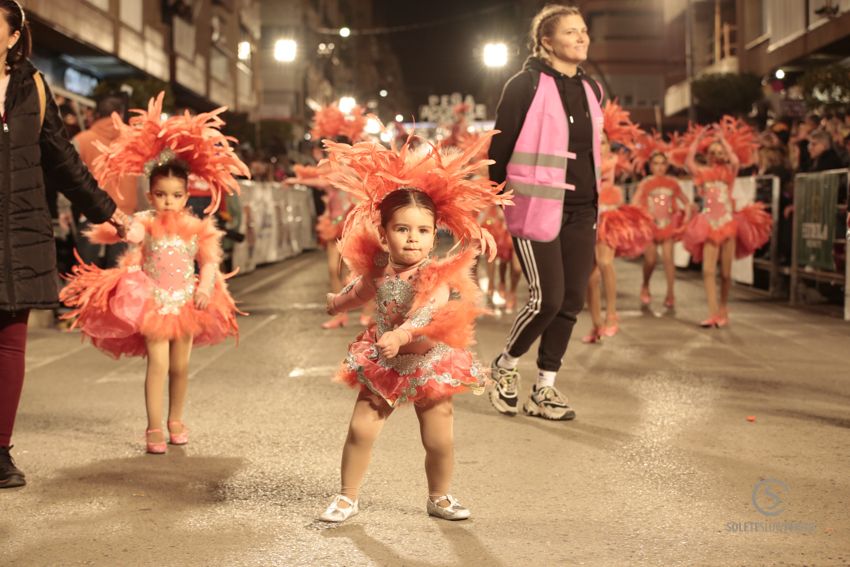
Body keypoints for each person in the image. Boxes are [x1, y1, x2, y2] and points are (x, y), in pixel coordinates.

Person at [317, 133, 507, 523]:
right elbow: (360, 290)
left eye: (423, 231)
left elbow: (427, 315)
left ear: (434, 235)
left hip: (428, 363)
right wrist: (338, 301)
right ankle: (347, 497)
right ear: (384, 234)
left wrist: (401, 334)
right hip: (384, 365)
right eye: (402, 230)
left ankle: (439, 496)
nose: (413, 239)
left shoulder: (434, 276)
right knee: (361, 431)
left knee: (439, 439)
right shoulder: (378, 270)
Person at [59, 92, 247, 454]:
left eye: (176, 196)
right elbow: (126, 232)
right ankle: (153, 426)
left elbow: (209, 261)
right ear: (150, 193)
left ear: (186, 195)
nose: (168, 202)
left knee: (180, 367)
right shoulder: (144, 222)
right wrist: (114, 220)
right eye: (161, 195)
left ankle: (176, 418)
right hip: (153, 304)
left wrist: (206, 288)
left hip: (187, 302)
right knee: (157, 365)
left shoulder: (197, 227)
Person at [0, 0, 129, 488]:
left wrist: (112, 214)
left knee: (11, 343)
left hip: (23, 230)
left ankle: (0, 453)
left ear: (14, 37)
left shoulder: (32, 85)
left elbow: (62, 161)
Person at [487, 4, 605, 420]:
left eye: (584, 30)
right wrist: (495, 196)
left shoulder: (593, 89)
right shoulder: (525, 85)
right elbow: (498, 150)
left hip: (583, 210)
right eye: (571, 32)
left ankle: (545, 389)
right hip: (535, 207)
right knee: (546, 299)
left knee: (572, 300)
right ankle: (504, 366)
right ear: (547, 41)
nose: (581, 37)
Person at [681, 119, 771, 328]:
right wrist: (698, 140)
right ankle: (712, 312)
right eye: (713, 151)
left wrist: (723, 141)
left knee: (726, 272)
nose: (717, 155)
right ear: (708, 154)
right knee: (708, 270)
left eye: (719, 151)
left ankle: (723, 307)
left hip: (728, 222)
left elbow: (736, 161)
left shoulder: (729, 174)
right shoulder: (703, 173)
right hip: (708, 223)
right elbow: (688, 163)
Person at [582, 106, 653, 343]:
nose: (600, 145)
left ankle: (612, 314)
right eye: (596, 141)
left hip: (608, 219)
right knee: (590, 278)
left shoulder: (610, 161)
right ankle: (596, 324)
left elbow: (597, 171)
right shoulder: (583, 162)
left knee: (604, 263)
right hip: (586, 219)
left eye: (603, 142)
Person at [72, 92, 136, 268]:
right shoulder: (134, 142)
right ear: (120, 115)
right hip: (125, 217)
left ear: (98, 114)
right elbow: (143, 179)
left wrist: (64, 210)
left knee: (87, 276)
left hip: (91, 214)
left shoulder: (82, 139)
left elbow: (69, 176)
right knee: (118, 279)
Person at [633, 149, 691, 309]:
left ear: (667, 165)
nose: (659, 167)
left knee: (668, 260)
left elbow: (686, 201)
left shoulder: (672, 183)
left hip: (667, 226)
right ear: (651, 166)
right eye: (656, 163)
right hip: (650, 227)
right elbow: (635, 202)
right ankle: (645, 284)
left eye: (662, 163)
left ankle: (670, 294)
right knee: (650, 260)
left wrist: (686, 215)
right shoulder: (645, 183)